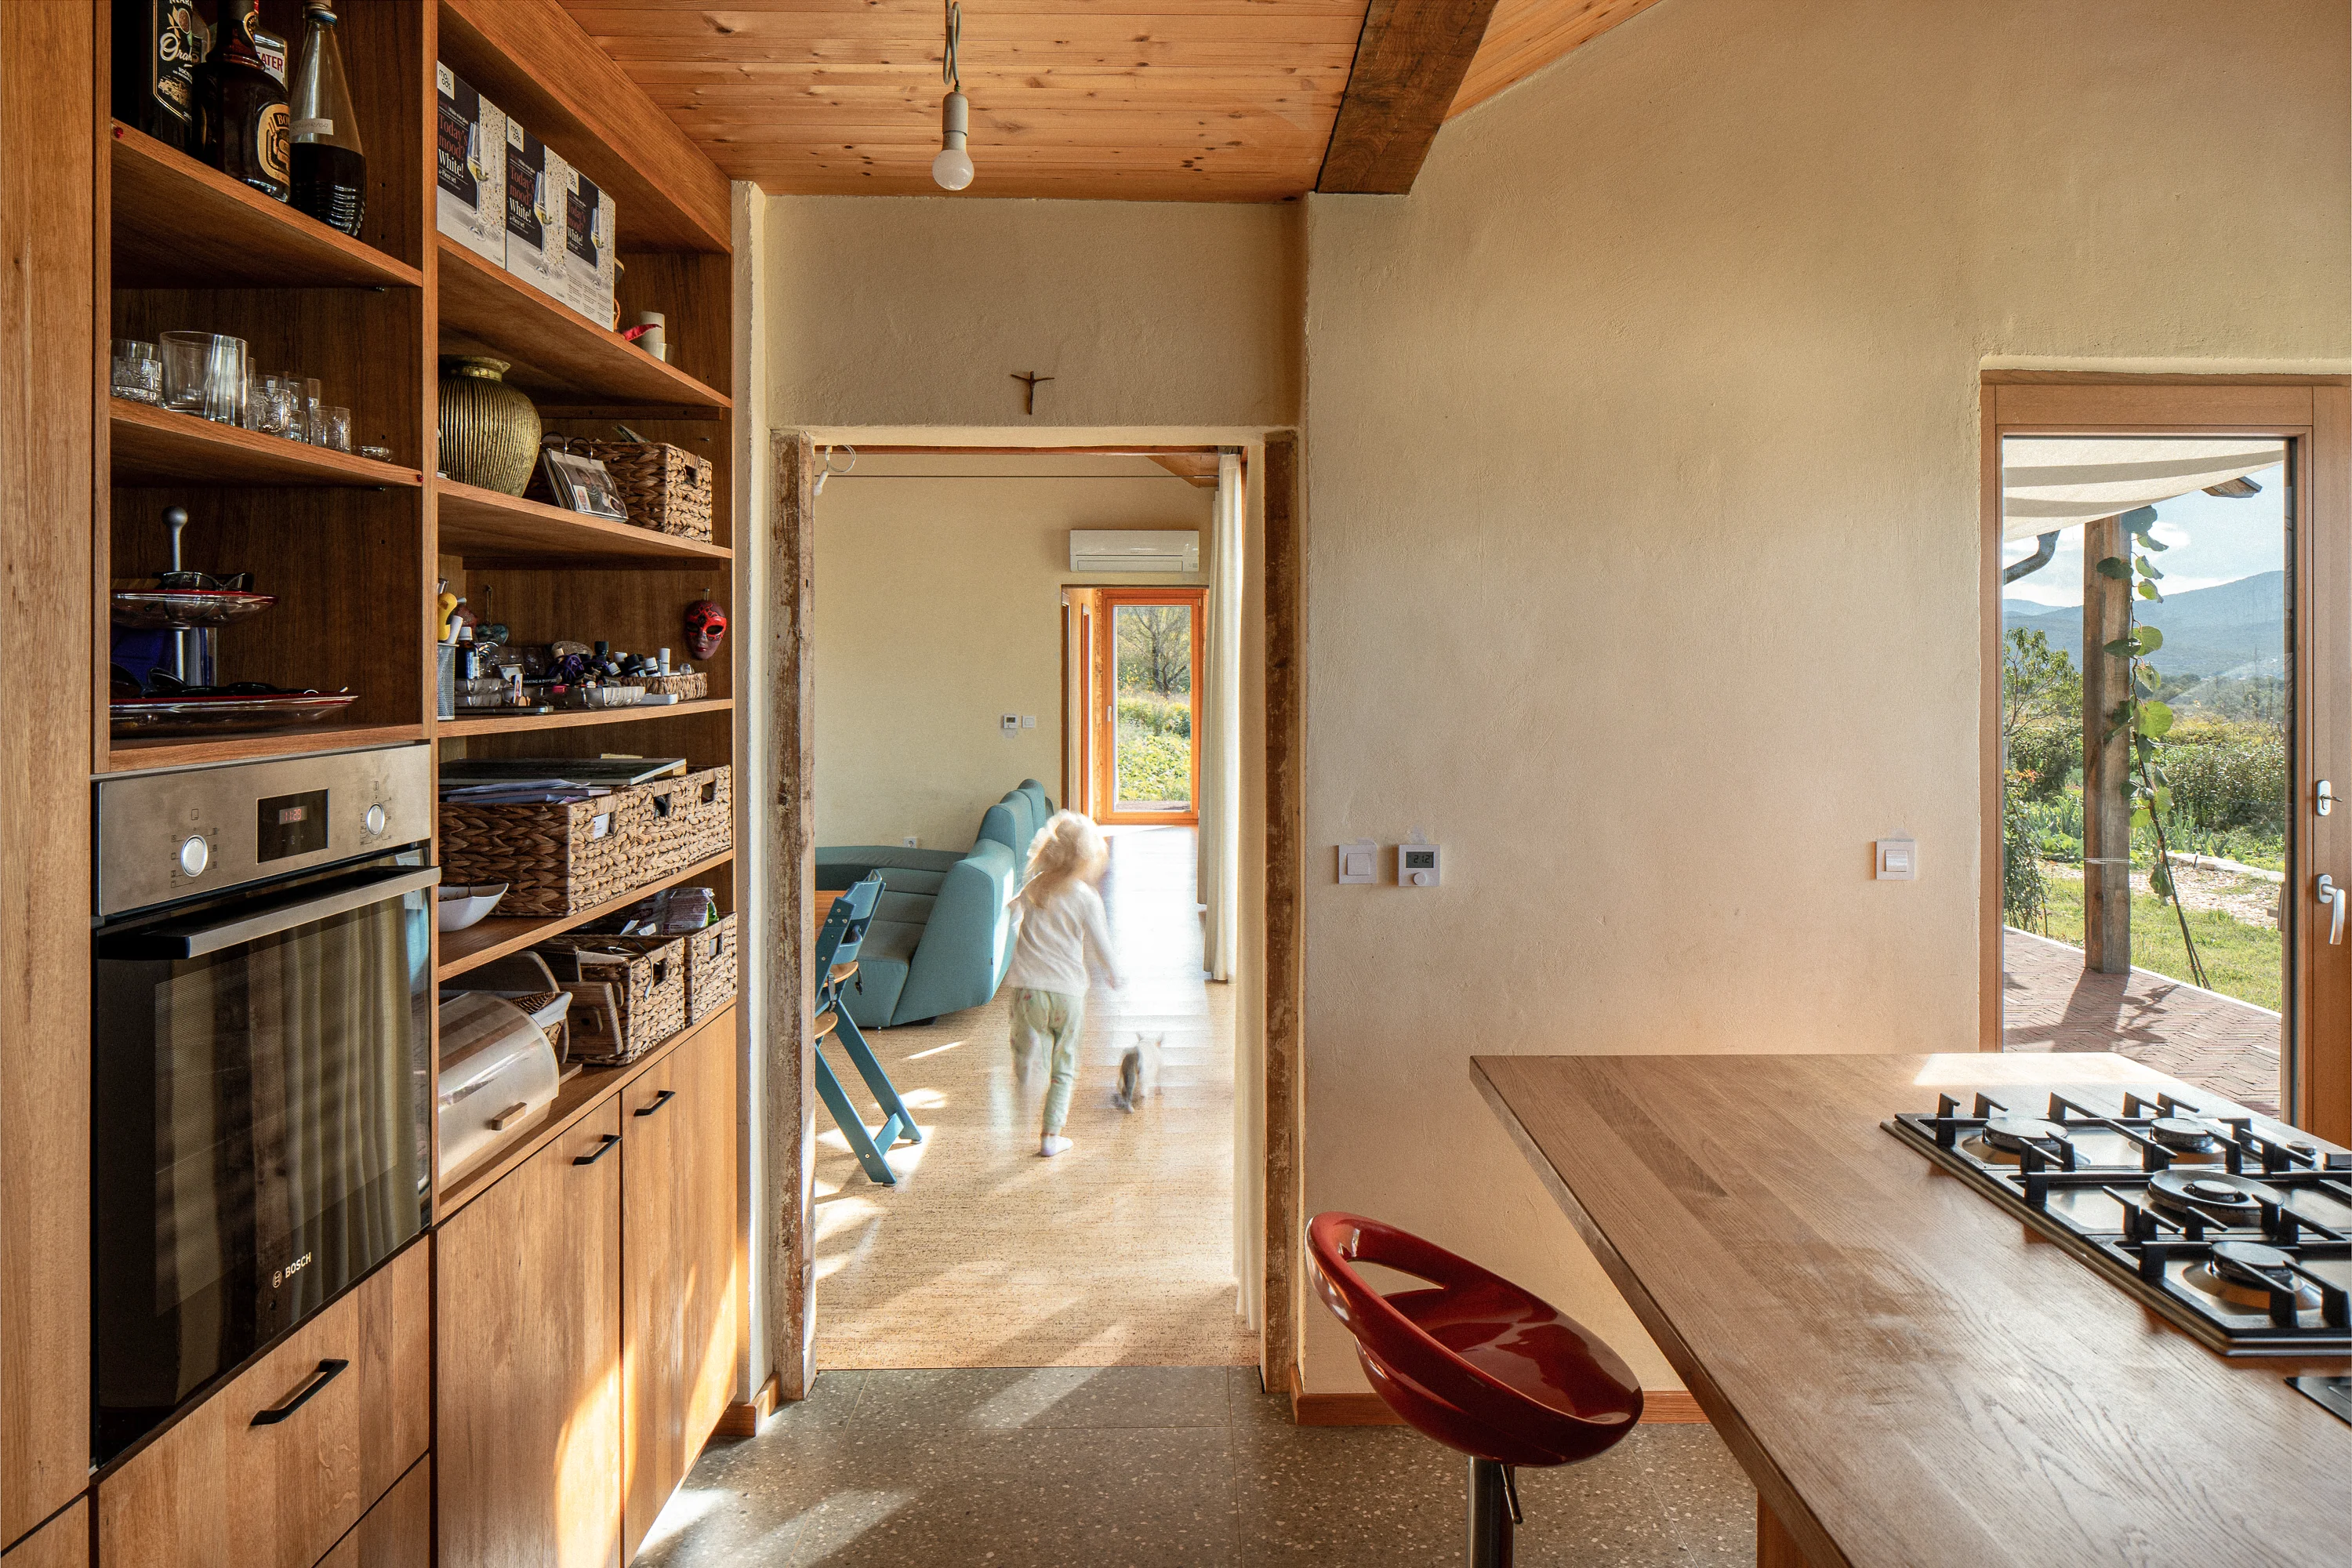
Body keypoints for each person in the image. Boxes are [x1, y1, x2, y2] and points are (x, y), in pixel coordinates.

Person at [1006, 811, 1123, 1156]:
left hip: (1026, 991)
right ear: (1088, 857)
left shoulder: (1034, 888)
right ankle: (1050, 1137)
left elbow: (1009, 916)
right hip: (1068, 995)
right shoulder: (1086, 897)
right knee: (1065, 1065)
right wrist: (1115, 974)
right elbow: (1102, 945)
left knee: (1026, 1043)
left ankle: (1027, 1068)